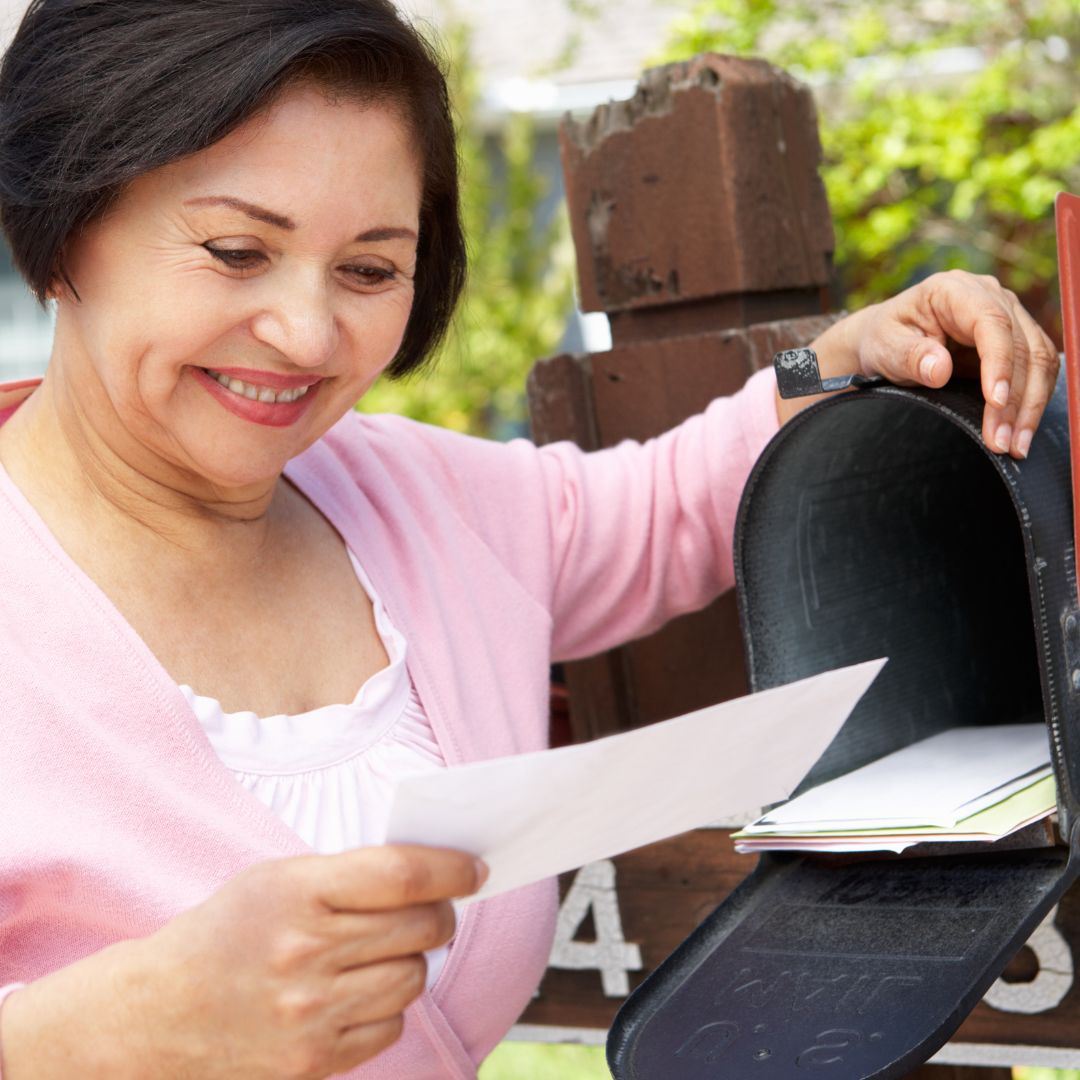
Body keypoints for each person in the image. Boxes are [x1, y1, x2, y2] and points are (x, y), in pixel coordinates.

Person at [0, 1, 1060, 1077]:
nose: (308, 334)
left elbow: (665, 505)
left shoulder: (420, 499)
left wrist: (840, 360)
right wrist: (128, 1023)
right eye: (236, 252)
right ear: (58, 231)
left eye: (369, 270)